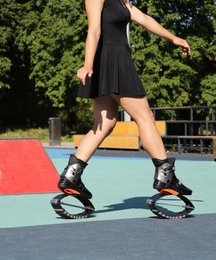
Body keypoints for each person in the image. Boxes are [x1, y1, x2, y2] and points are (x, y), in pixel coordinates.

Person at [58, 0, 192, 199]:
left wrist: (173, 38)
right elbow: (93, 30)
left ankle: (72, 176)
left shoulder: (122, 2)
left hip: (110, 62)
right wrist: (87, 65)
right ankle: (166, 175)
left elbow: (145, 19)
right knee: (145, 117)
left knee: (105, 123)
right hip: (112, 62)